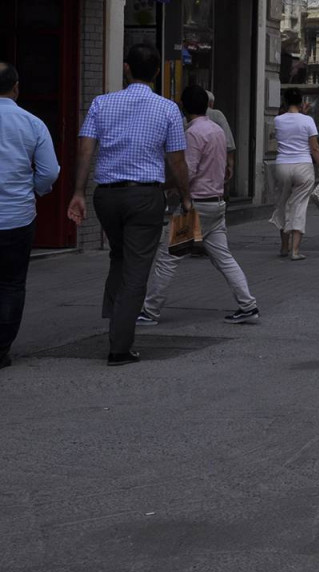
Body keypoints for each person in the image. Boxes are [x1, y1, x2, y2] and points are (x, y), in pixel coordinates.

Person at [67, 43, 191, 367]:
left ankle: (116, 312)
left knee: (120, 254)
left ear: (126, 69)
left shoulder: (101, 103)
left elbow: (84, 150)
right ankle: (119, 346)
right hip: (144, 197)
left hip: (106, 196)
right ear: (157, 74)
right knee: (137, 267)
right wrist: (187, 194)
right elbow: (177, 160)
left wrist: (78, 192)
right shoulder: (167, 109)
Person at [139, 85, 259, 326]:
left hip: (194, 207)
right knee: (224, 258)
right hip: (216, 204)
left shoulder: (192, 133)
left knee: (168, 259)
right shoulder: (217, 130)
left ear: (183, 106)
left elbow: (188, 170)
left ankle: (150, 311)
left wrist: (165, 185)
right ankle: (248, 305)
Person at [0, 63, 60, 368]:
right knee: (11, 283)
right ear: (16, 87)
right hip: (16, 216)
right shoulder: (32, 123)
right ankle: (1, 348)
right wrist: (34, 190)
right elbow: (49, 171)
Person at [270, 89, 319, 260]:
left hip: (282, 166)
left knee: (283, 203)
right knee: (299, 206)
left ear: (285, 102)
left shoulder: (278, 120)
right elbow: (315, 148)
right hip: (303, 165)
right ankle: (295, 250)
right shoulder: (308, 120)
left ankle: (283, 247)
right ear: (302, 103)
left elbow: (285, 126)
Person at [204, 91, 236, 195]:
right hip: (217, 165)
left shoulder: (187, 118)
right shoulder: (217, 115)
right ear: (211, 103)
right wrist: (230, 165)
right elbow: (229, 143)